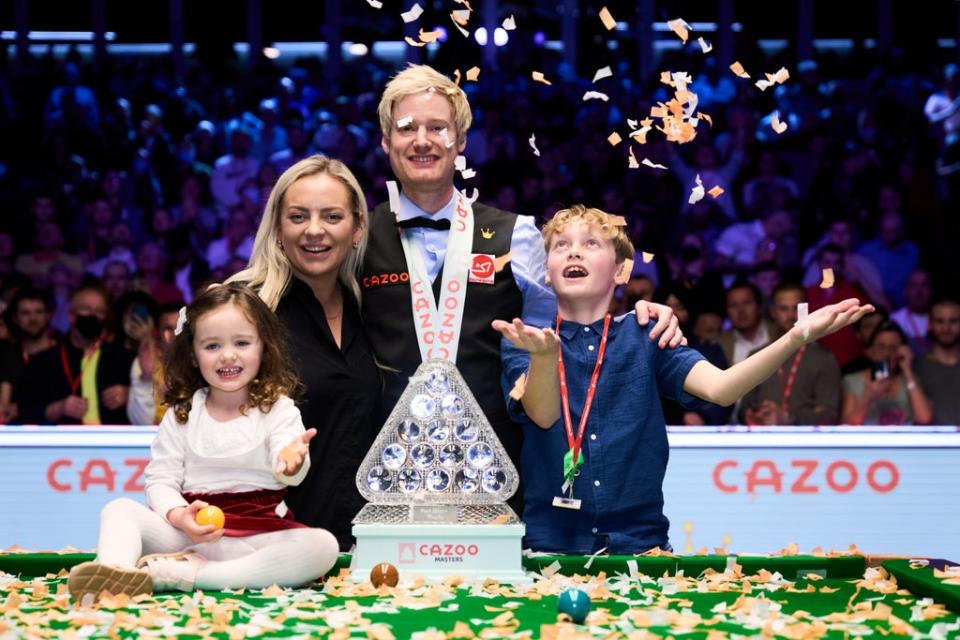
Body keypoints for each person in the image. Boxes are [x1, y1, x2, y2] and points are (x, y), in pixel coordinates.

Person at [362, 64, 683, 481]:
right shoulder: (357, 237)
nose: (422, 140)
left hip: (496, 469)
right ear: (386, 141)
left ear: (460, 141)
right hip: (385, 469)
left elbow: (565, 331)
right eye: (407, 128)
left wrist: (639, 316)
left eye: (438, 128)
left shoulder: (519, 234)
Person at [494, 205, 871, 553]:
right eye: (561, 246)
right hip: (550, 544)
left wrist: (794, 337)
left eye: (591, 243)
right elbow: (542, 414)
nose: (573, 252)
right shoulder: (524, 340)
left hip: (641, 544)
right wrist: (544, 357)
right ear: (547, 270)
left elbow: (722, 389)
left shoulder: (647, 335)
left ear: (621, 270)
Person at [66, 283, 337, 602]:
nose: (227, 355)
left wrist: (292, 463)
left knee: (323, 547)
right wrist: (180, 516)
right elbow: (160, 480)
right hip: (186, 535)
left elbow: (289, 462)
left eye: (241, 342)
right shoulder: (182, 412)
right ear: (193, 355)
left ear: (263, 348)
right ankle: (115, 573)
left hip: (256, 537)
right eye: (212, 346)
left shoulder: (278, 408)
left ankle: (189, 576)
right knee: (119, 509)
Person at [228, 155, 382, 551]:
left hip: (365, 549)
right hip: (266, 548)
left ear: (358, 227)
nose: (314, 231)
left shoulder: (377, 309)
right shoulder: (244, 310)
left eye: (332, 216)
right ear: (278, 228)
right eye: (298, 217)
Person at [16, 283, 135, 425]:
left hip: (115, 441)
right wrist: (58, 408)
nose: (93, 315)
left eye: (100, 311)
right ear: (71, 315)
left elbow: (153, 399)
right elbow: (25, 411)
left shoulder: (124, 358)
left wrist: (131, 394)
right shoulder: (44, 361)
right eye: (86, 309)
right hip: (64, 442)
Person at [740, 283, 842, 425]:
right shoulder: (757, 355)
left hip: (805, 443)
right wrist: (751, 414)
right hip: (763, 440)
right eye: (783, 308)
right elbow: (744, 408)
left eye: (797, 308)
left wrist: (788, 419)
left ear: (806, 311)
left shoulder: (824, 358)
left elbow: (830, 416)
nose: (790, 315)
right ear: (773, 312)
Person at [841, 321, 933, 426]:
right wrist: (867, 397)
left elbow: (925, 419)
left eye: (893, 348)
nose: (886, 354)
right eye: (881, 347)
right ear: (870, 351)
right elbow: (846, 426)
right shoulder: (852, 381)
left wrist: (907, 370)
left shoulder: (909, 381)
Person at [914, 297, 960, 424]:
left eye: (953, 321)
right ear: (930, 324)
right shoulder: (916, 366)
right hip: (930, 442)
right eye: (940, 321)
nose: (946, 328)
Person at [890, 269, 933, 356]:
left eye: (924, 285)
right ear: (905, 290)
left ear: (931, 290)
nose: (919, 291)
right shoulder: (895, 320)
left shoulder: (941, 318)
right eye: (914, 285)